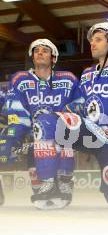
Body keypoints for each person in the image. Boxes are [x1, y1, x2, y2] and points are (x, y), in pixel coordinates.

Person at [31, 22, 108, 209]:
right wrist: (57, 114)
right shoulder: (86, 74)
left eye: (98, 39)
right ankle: (52, 184)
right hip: (90, 132)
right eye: (92, 40)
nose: (92, 43)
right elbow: (80, 104)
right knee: (47, 123)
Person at [0, 39, 81, 209]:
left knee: (62, 131)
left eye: (45, 50)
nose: (40, 52)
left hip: (63, 136)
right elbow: (16, 113)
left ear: (53, 58)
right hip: (34, 138)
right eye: (36, 50)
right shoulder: (20, 79)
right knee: (4, 143)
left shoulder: (68, 79)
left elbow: (81, 104)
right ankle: (46, 182)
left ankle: (64, 179)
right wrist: (13, 136)